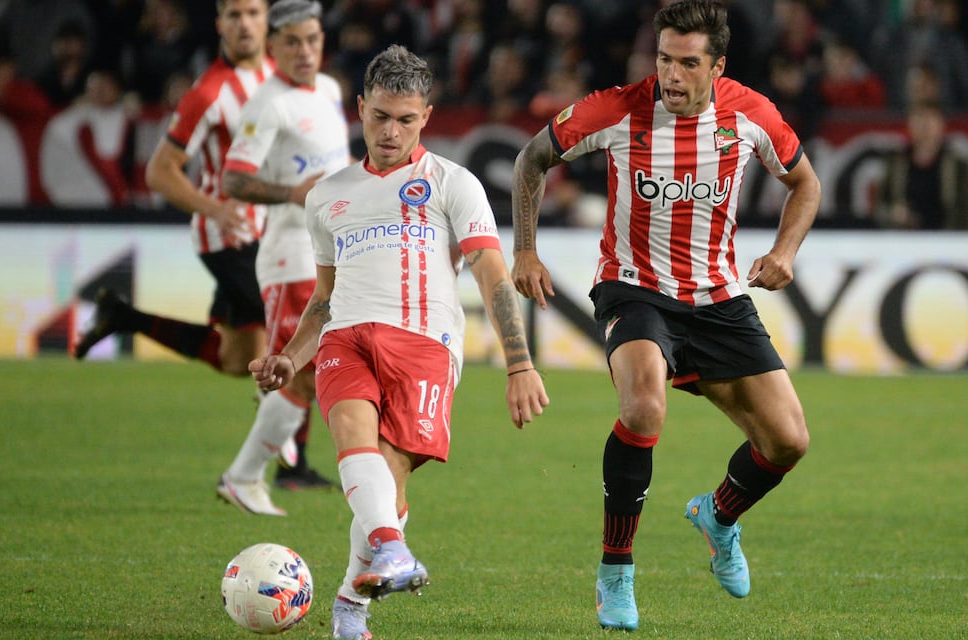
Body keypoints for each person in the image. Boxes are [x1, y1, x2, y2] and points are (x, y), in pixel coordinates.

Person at [511, 0, 820, 631]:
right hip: (634, 288)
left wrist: (785, 251)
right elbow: (530, 161)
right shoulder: (619, 109)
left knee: (789, 441)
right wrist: (524, 249)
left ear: (717, 66)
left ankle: (719, 515)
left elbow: (805, 183)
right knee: (644, 405)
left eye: (687, 63)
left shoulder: (749, 114)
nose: (671, 76)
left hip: (717, 297)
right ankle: (616, 570)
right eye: (663, 60)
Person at [250, 44, 549, 640]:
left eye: (406, 120)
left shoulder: (453, 184)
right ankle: (389, 553)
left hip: (425, 345)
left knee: (386, 485)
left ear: (426, 117)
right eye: (381, 116)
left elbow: (491, 275)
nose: (391, 131)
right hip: (344, 338)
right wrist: (290, 355)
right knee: (353, 444)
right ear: (360, 108)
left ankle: (349, 600)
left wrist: (519, 364)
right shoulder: (325, 196)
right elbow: (324, 297)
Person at [75, 0, 272, 379]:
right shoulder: (209, 93)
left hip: (267, 229)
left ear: (267, 21)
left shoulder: (277, 76)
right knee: (292, 334)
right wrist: (214, 209)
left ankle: (124, 316)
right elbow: (160, 172)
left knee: (237, 359)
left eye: (253, 13)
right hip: (232, 236)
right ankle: (287, 437)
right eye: (235, 15)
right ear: (220, 24)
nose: (245, 24)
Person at [215, 0, 349, 515]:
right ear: (272, 47)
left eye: (312, 39)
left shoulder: (331, 91)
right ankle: (244, 476)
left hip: (335, 252)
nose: (305, 51)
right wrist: (292, 193)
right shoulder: (268, 104)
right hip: (291, 255)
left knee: (316, 371)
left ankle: (248, 475)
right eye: (292, 42)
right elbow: (233, 179)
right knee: (305, 372)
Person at [874, 100, 968, 230]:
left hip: (947, 241)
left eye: (931, 118)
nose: (925, 125)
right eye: (919, 118)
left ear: (942, 124)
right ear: (909, 124)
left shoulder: (957, 166)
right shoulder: (896, 163)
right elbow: (879, 208)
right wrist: (893, 213)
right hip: (905, 241)